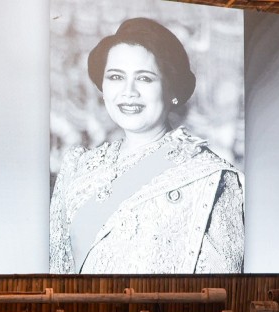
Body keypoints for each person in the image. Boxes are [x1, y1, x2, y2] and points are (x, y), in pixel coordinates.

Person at [49, 17, 245, 274]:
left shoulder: (210, 177)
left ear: (171, 88)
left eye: (144, 78)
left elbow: (220, 284)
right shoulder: (78, 168)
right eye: (116, 77)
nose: (128, 92)